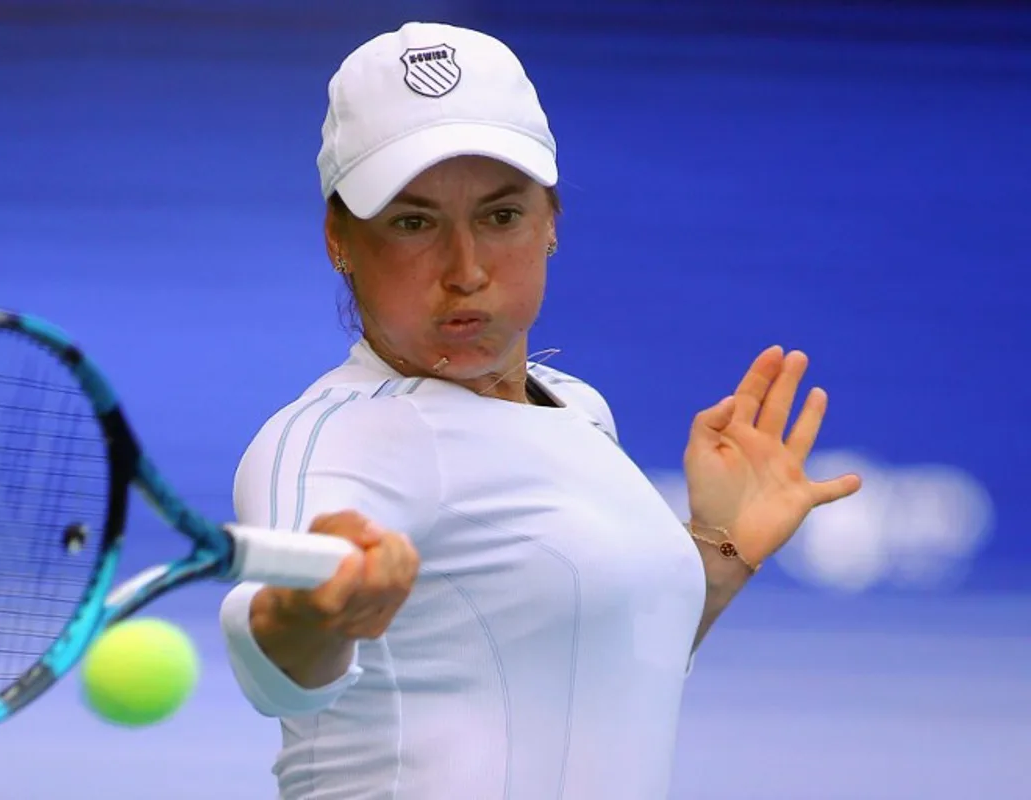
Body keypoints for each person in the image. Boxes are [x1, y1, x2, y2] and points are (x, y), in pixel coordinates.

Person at [219, 20, 861, 800]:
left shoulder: (579, 410)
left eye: (500, 216)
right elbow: (276, 664)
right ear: (339, 239)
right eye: (413, 222)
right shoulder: (333, 438)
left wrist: (718, 557)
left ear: (550, 222)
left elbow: (578, 670)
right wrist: (315, 612)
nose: (465, 271)